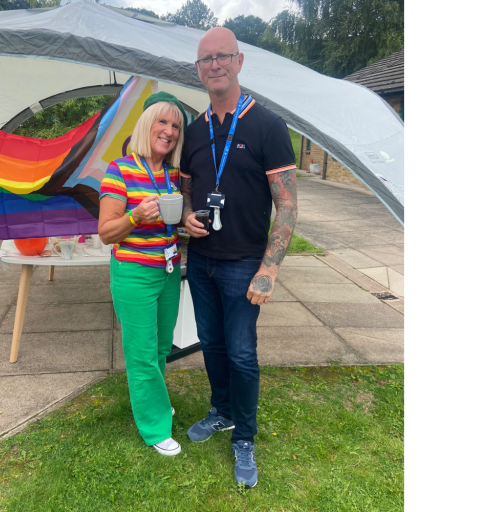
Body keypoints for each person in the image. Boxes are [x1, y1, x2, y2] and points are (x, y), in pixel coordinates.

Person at [179, 27, 298, 488]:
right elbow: (186, 192)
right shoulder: (194, 129)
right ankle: (222, 411)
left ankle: (244, 436)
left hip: (244, 263)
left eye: (222, 56)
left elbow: (286, 204)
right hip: (203, 260)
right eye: (206, 59)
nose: (214, 65)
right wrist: (187, 215)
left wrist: (269, 269)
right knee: (210, 343)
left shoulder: (267, 125)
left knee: (243, 353)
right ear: (198, 68)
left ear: (239, 61)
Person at [98, 92, 187, 456]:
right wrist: (136, 217)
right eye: (162, 122)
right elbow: (106, 232)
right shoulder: (119, 170)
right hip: (134, 272)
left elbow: (171, 224)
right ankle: (154, 427)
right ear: (146, 124)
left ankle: (154, 402)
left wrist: (186, 227)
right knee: (142, 353)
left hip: (168, 271)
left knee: (163, 347)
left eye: (176, 126)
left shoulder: (173, 174)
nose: (169, 131)